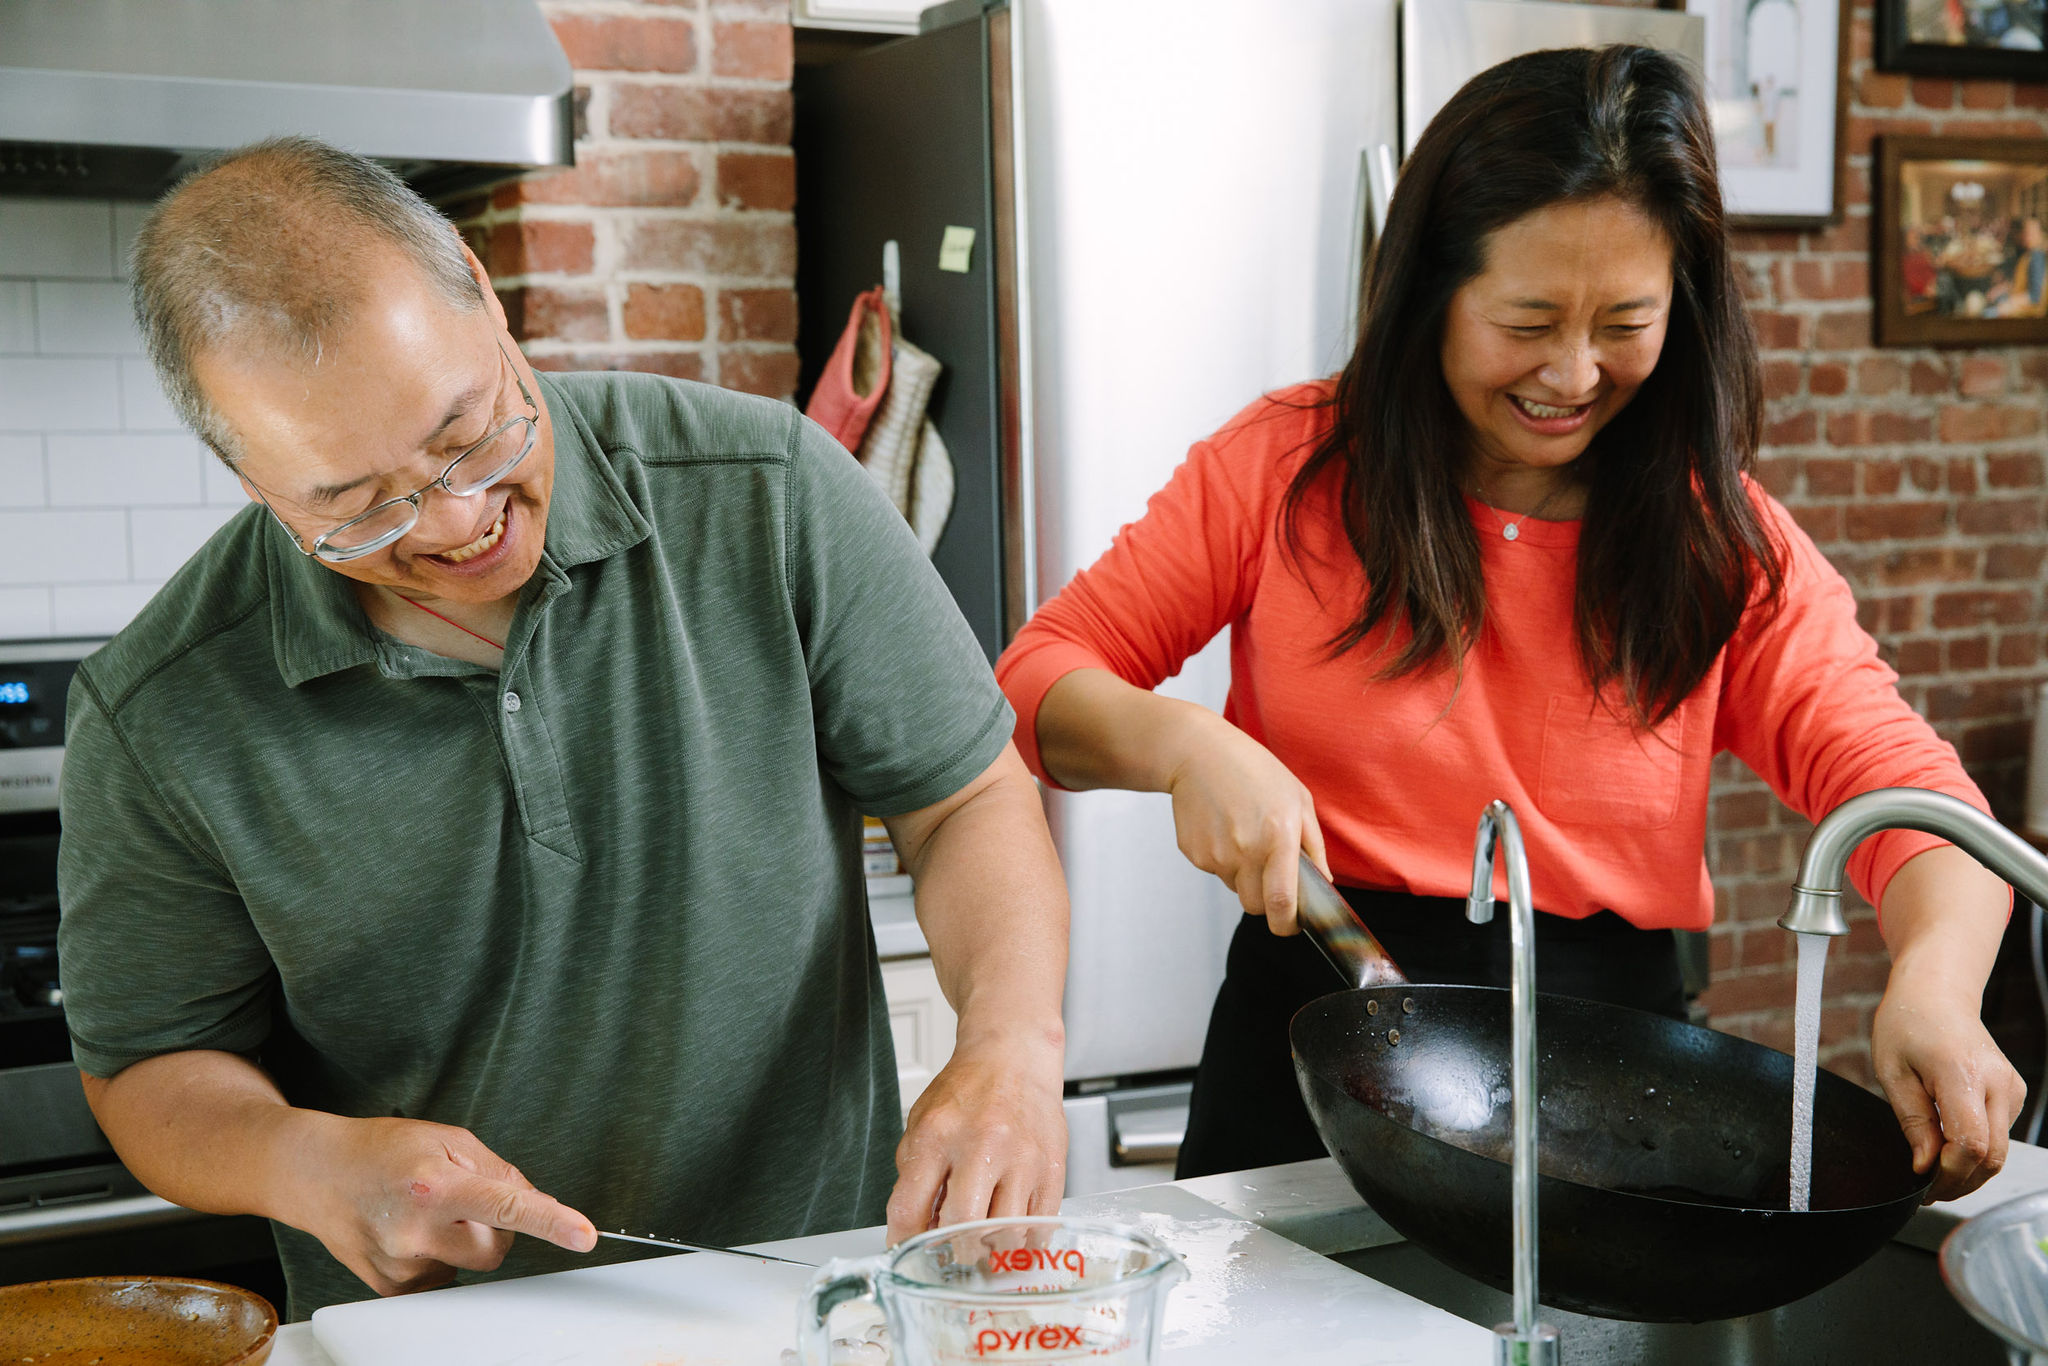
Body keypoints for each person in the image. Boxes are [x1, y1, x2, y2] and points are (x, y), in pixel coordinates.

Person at [58, 137, 1070, 1319]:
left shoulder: (768, 491)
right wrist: (304, 1161)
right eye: (358, 505)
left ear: (485, 300)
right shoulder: (157, 710)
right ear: (251, 478)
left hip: (816, 1303)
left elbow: (963, 800)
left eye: (469, 431)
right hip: (436, 1339)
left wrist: (1010, 1044)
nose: (457, 519)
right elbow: (148, 1068)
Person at [994, 46, 2023, 1201]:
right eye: (1527, 320)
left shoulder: (1719, 540)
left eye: (1622, 323)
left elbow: (1915, 803)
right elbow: (1036, 683)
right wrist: (1184, 745)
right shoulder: (1284, 468)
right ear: (1431, 290)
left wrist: (1933, 986)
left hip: (1610, 1092)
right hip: (1311, 1042)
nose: (1572, 373)